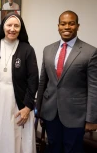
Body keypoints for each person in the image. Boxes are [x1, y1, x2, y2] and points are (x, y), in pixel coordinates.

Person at [36, 10, 97, 153]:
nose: (67, 27)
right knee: (53, 148)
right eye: (63, 24)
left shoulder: (90, 52)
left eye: (71, 23)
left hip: (76, 115)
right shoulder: (48, 50)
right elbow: (42, 82)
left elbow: (94, 87)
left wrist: (92, 118)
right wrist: (39, 111)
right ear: (58, 26)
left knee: (73, 150)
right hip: (51, 113)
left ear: (77, 26)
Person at [0, 12, 38, 153]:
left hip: (19, 101)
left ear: (21, 28)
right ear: (3, 27)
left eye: (16, 26)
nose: (12, 29)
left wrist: (28, 106)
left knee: (17, 134)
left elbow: (33, 79)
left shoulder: (27, 49)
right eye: (9, 25)